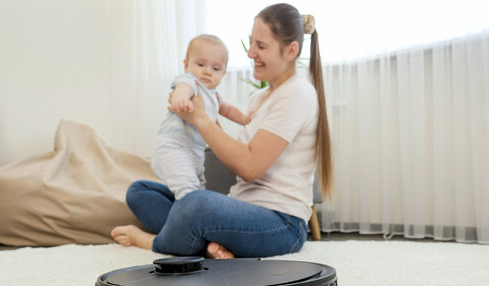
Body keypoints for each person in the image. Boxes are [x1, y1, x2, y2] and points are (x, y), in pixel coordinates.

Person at [112, 3, 332, 259]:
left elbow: (249, 167)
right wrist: (203, 116)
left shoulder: (297, 94)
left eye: (260, 46)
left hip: (281, 223)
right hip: (242, 209)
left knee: (194, 203)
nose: (250, 53)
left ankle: (155, 242)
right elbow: (237, 162)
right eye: (251, 43)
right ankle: (205, 244)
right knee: (140, 191)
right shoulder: (258, 99)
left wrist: (201, 119)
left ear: (291, 50)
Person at [152, 34, 250, 200]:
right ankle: (189, 216)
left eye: (216, 69)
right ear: (186, 65)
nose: (207, 71)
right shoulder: (190, 81)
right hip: (174, 147)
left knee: (199, 190)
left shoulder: (215, 95)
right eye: (201, 64)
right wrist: (181, 100)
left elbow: (227, 110)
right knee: (188, 191)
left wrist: (246, 120)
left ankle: (194, 216)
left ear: (223, 73)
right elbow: (182, 90)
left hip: (196, 152)